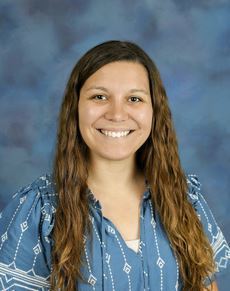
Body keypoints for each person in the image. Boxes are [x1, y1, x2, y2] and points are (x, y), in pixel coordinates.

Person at [0, 40, 229, 291]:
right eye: (99, 97)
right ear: (75, 107)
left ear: (155, 110)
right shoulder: (38, 210)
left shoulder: (186, 199)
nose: (117, 114)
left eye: (134, 98)